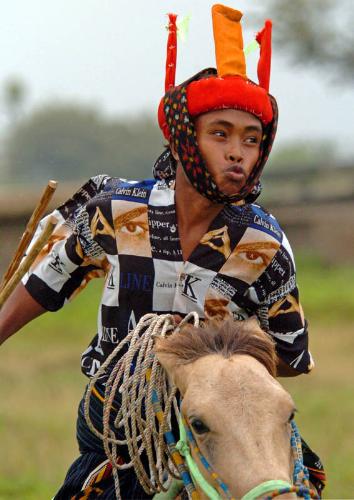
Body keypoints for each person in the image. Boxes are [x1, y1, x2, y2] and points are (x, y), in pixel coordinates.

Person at [0, 4, 325, 498]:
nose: (238, 152)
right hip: (118, 413)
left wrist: (210, 358)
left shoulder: (264, 243)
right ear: (182, 140)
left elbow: (293, 354)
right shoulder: (117, 210)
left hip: (225, 417)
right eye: (221, 134)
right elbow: (48, 282)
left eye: (252, 140)